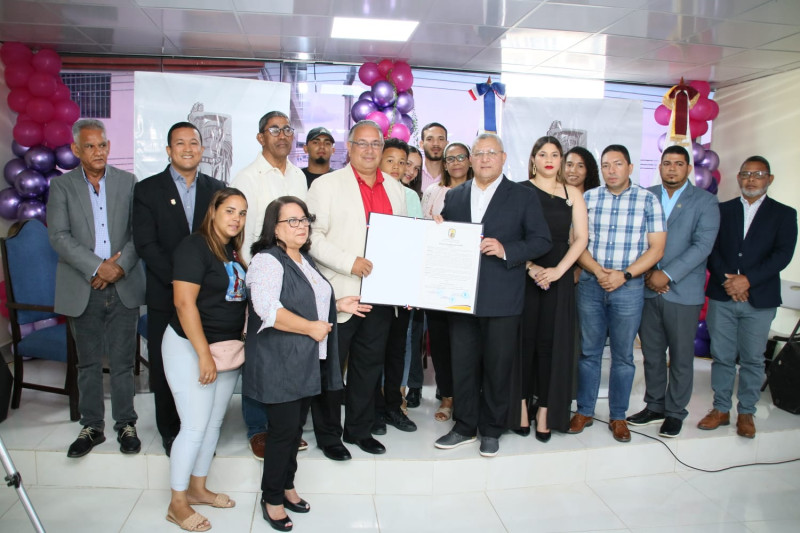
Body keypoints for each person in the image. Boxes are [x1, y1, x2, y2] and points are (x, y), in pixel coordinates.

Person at [245, 196, 371, 531]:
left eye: (304, 220)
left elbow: (311, 300)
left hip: (305, 362)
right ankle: (271, 498)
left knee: (293, 431)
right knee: (283, 433)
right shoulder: (267, 261)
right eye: (292, 221)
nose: (301, 226)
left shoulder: (303, 258)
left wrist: (338, 303)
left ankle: (287, 486)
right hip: (281, 363)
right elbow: (268, 309)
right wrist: (312, 328)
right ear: (275, 228)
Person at [434, 133, 551, 457]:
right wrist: (438, 232)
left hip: (502, 297)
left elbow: (542, 240)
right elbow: (447, 241)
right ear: (471, 159)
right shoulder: (455, 196)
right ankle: (464, 426)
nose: (484, 159)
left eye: (491, 153)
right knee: (463, 365)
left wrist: (506, 249)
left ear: (503, 158)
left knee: (498, 367)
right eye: (479, 153)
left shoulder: (522, 196)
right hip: (460, 296)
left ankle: (492, 429)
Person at [306, 120, 407, 456]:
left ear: (382, 149)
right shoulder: (326, 185)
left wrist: (406, 287)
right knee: (331, 371)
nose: (368, 150)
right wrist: (350, 262)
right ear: (348, 148)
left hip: (381, 295)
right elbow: (312, 238)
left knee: (368, 367)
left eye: (375, 144)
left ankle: (359, 430)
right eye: (361, 144)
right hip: (340, 294)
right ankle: (329, 435)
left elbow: (402, 241)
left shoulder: (394, 188)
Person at [47, 119, 145, 458]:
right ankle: (92, 427)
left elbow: (138, 232)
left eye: (102, 145)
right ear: (76, 150)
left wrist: (117, 268)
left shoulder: (128, 182)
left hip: (123, 284)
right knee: (87, 363)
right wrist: (97, 266)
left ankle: (126, 424)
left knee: (122, 361)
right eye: (90, 146)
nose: (98, 151)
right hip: (82, 285)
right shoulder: (61, 187)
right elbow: (58, 236)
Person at [133, 121, 225, 456]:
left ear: (202, 149)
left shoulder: (217, 189)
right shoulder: (147, 190)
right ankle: (171, 431)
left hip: (207, 298)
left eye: (194, 143)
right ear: (169, 150)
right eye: (180, 143)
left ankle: (200, 431)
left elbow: (222, 240)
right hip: (164, 293)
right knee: (166, 366)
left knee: (206, 362)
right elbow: (146, 244)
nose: (188, 148)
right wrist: (181, 280)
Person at [163, 187, 248, 532]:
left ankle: (197, 487)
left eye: (242, 213)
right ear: (213, 211)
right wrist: (202, 355)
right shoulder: (193, 246)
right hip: (191, 347)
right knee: (195, 426)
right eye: (229, 210)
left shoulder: (231, 250)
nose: (236, 219)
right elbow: (184, 304)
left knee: (213, 424)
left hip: (225, 351)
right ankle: (177, 503)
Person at [569, 144, 666, 443]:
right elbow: (576, 242)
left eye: (618, 164)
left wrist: (624, 275)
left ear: (630, 167)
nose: (612, 170)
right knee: (589, 352)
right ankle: (584, 410)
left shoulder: (648, 201)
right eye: (606, 165)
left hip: (629, 286)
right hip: (590, 283)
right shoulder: (588, 198)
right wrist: (599, 272)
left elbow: (657, 248)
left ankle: (618, 416)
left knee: (624, 356)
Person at [699, 155, 797, 438]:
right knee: (722, 356)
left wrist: (747, 280)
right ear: (739, 178)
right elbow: (711, 249)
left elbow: (782, 255)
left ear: (770, 179)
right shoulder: (723, 210)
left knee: (753, 359)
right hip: (722, 295)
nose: (751, 179)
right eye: (746, 174)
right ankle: (720, 409)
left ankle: (747, 413)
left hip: (760, 299)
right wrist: (728, 282)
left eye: (758, 174)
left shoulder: (784, 214)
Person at [626, 146, 719, 438]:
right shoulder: (645, 195)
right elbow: (634, 238)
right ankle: (654, 406)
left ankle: (676, 412)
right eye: (667, 163)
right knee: (652, 354)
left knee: (680, 356)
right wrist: (647, 274)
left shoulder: (705, 201)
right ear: (660, 167)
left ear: (688, 169)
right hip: (646, 289)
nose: (671, 169)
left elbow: (702, 246)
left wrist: (666, 274)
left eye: (678, 164)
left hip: (682, 291)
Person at [231, 110, 307, 459]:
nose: (282, 135)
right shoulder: (246, 177)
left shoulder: (298, 177)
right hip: (259, 271)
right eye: (273, 130)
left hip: (294, 271)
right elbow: (240, 231)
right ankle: (257, 426)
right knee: (259, 352)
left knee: (287, 350)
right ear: (261, 137)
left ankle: (284, 425)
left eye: (287, 129)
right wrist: (253, 274)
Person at [514, 136, 588, 441]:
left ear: (561, 160)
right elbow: (511, 236)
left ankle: (545, 410)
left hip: (558, 278)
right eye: (542, 153)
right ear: (533, 158)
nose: (548, 159)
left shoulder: (573, 193)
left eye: (555, 154)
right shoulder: (519, 191)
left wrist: (558, 271)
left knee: (551, 346)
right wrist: (531, 268)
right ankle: (518, 407)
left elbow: (581, 239)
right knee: (521, 344)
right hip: (522, 276)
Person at [421, 141, 473, 421]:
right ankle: (448, 396)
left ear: (470, 160)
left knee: (466, 340)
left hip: (470, 278)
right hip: (438, 277)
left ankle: (468, 395)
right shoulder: (432, 192)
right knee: (440, 340)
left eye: (460, 157)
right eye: (449, 158)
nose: (455, 163)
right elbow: (422, 230)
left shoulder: (480, 192)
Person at [370, 138, 419, 434]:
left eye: (403, 162)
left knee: (397, 349)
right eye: (391, 160)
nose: (398, 167)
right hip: (373, 283)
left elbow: (418, 240)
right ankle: (373, 408)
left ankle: (393, 406)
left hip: (402, 285)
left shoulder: (409, 196)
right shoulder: (368, 191)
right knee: (373, 350)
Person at [419, 122, 448, 191]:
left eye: (441, 139)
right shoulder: (413, 172)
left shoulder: (453, 173)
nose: (436, 144)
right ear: (421, 144)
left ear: (447, 144)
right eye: (429, 139)